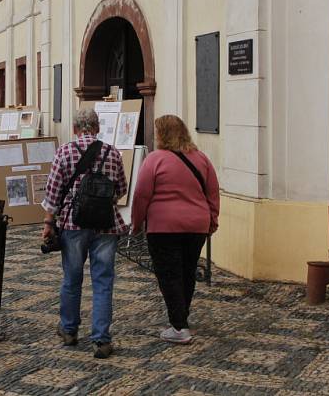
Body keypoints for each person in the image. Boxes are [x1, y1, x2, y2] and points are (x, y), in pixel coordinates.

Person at [41, 108, 127, 359]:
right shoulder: (112, 152)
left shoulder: (65, 151)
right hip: (106, 225)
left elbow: (53, 191)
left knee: (72, 278)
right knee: (103, 281)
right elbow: (120, 188)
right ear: (97, 128)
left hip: (73, 224)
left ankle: (69, 330)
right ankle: (101, 339)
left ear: (76, 128)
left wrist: (48, 223)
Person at [131, 115, 220, 344]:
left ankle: (179, 326)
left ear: (161, 134)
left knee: (168, 274)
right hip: (196, 226)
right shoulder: (201, 159)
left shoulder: (154, 160)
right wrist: (212, 219)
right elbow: (212, 192)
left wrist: (137, 222)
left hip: (164, 227)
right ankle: (182, 317)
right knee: (187, 272)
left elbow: (141, 195)